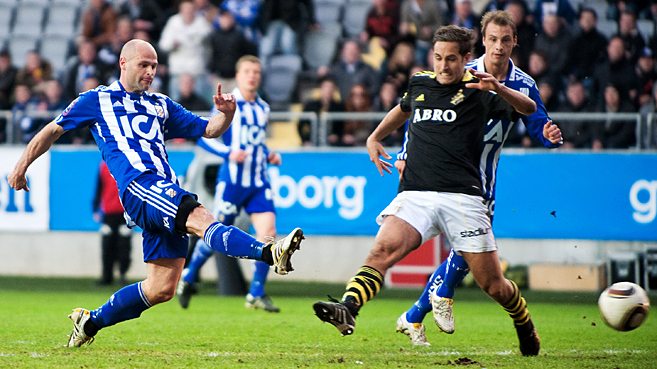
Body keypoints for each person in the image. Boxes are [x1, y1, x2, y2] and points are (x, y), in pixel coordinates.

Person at [7, 39, 304, 348]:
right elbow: (53, 130)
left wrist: (227, 114)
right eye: (143, 65)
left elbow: (209, 129)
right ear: (123, 63)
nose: (150, 72)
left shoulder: (160, 104)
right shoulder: (96, 100)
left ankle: (90, 321)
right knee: (200, 216)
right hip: (139, 187)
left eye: (154, 66)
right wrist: (20, 167)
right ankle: (269, 253)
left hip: (160, 191)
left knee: (161, 288)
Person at [313, 25, 546, 357]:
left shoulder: (479, 90)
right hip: (417, 193)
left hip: (463, 198)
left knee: (493, 285)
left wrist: (498, 88)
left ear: (467, 58)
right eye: (438, 58)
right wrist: (375, 136)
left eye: (451, 59)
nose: (443, 66)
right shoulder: (421, 82)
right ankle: (348, 307)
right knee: (381, 252)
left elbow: (527, 109)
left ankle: (522, 321)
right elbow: (404, 108)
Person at [394, 10, 563, 347]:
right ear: (482, 41)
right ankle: (435, 299)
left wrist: (548, 133)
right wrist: (404, 153)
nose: (498, 47)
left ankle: (416, 313)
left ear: (515, 41)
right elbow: (423, 111)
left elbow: (536, 121)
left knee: (470, 248)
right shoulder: (461, 71)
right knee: (469, 247)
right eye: (492, 39)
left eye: (505, 40)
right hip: (444, 167)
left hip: (481, 175)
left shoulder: (524, 84)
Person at [177, 55, 286, 312]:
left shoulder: (263, 108)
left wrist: (268, 154)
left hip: (258, 181)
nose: (253, 76)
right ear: (238, 76)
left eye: (257, 72)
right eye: (248, 71)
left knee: (268, 232)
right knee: (216, 231)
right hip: (233, 181)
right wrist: (228, 153)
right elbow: (204, 137)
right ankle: (190, 275)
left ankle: (256, 292)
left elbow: (256, 141)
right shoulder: (228, 103)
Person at [93, 160, 132, 286]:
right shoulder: (104, 166)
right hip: (108, 213)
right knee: (107, 247)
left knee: (124, 247)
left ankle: (122, 275)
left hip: (124, 213)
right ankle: (106, 276)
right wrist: (95, 207)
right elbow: (99, 187)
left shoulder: (129, 164)